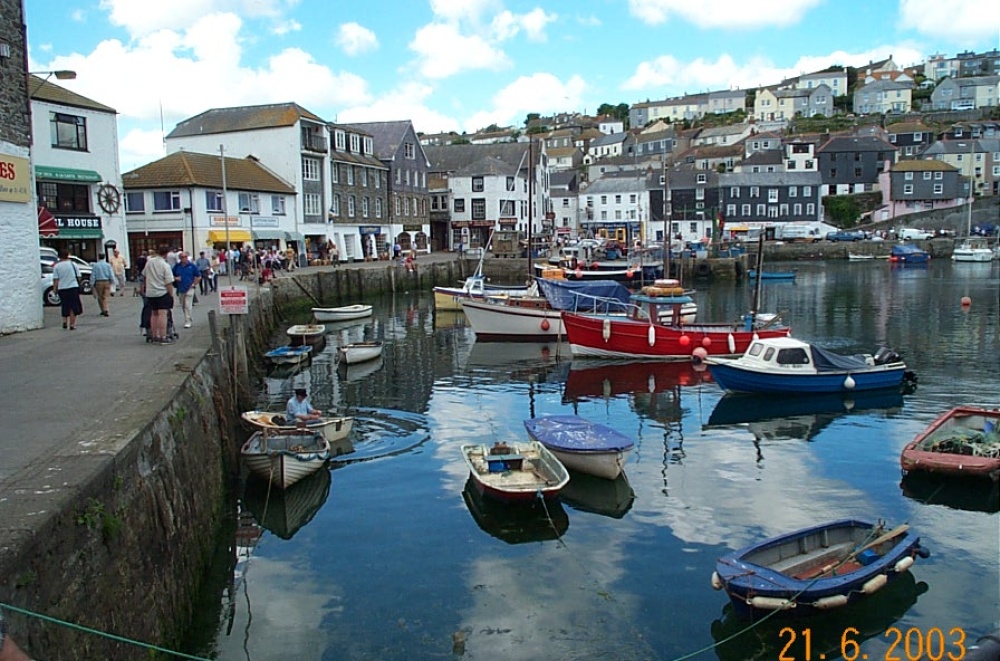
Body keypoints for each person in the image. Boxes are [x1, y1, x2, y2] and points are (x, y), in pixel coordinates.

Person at [142, 245, 176, 344]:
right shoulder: (165, 265)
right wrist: (171, 294)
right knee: (162, 314)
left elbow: (144, 275)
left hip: (150, 292)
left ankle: (154, 335)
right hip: (161, 291)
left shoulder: (149, 262)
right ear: (166, 254)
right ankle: (163, 336)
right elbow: (168, 282)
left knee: (154, 313)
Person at [51, 248, 83, 330]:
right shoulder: (73, 264)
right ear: (68, 255)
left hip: (62, 288)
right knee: (73, 306)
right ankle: (72, 324)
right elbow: (79, 277)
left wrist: (55, 289)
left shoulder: (57, 266)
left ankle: (64, 321)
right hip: (73, 287)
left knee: (65, 305)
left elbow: (56, 279)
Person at [172, 252, 201, 329]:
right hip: (180, 288)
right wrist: (176, 278)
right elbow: (171, 275)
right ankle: (188, 318)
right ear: (180, 258)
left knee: (188, 305)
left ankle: (188, 321)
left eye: (185, 256)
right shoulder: (177, 266)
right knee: (183, 305)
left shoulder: (192, 266)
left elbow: (198, 276)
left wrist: (194, 284)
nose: (184, 258)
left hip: (190, 288)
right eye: (182, 257)